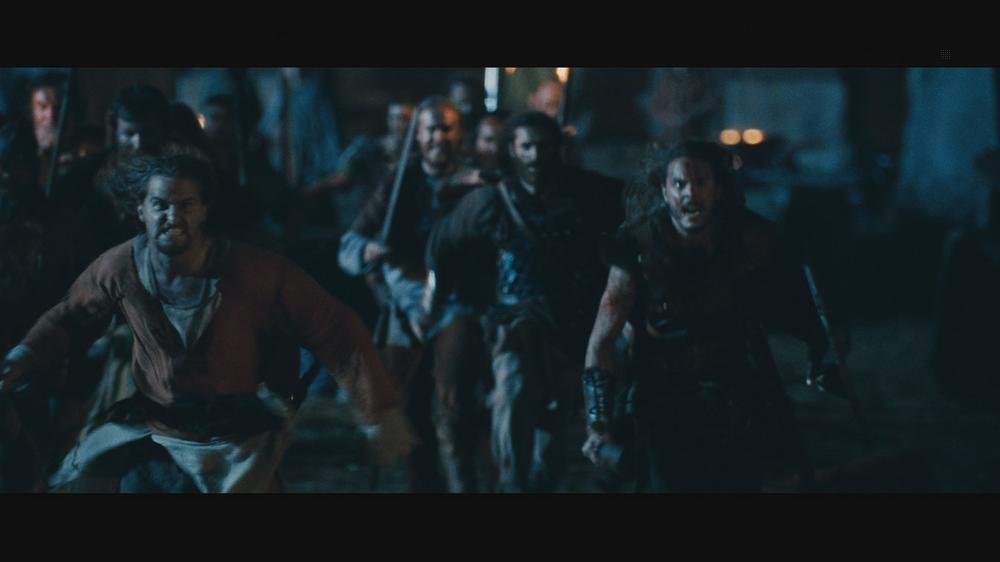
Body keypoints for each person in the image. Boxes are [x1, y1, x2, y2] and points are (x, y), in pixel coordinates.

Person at [0, 146, 415, 492]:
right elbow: (71, 317)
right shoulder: (120, 267)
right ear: (140, 210)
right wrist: (25, 356)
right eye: (160, 205)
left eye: (185, 205)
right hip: (156, 435)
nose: (172, 216)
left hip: (235, 444)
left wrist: (377, 412)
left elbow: (332, 326)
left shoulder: (254, 271)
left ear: (203, 210)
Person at [580, 140, 833, 492]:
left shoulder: (749, 237)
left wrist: (822, 348)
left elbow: (792, 302)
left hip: (732, 384)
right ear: (665, 191)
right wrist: (599, 420)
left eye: (700, 183)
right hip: (661, 387)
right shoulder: (637, 246)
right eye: (680, 184)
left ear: (717, 190)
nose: (690, 193)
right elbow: (602, 341)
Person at [427, 111, 623, 492]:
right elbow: (444, 243)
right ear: (513, 150)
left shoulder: (581, 193)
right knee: (514, 390)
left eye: (543, 146)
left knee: (553, 427)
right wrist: (437, 294)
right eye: (526, 147)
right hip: (514, 321)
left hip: (567, 324)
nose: (535, 156)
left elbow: (625, 202)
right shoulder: (493, 200)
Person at [339, 96, 490, 492]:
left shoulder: (476, 182)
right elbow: (351, 242)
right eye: (431, 129)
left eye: (447, 128)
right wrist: (370, 251)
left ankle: (465, 482)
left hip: (456, 303)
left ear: (459, 133)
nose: (439, 137)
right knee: (406, 407)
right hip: (405, 306)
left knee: (454, 397)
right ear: (418, 136)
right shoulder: (399, 182)